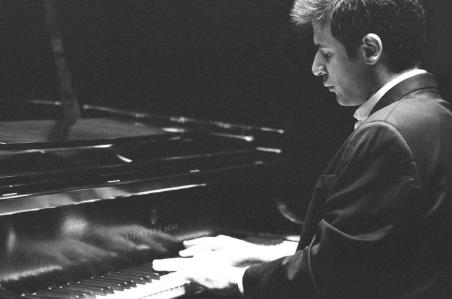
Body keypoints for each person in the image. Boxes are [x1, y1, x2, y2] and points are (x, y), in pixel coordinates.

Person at [154, 0, 452, 298]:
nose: (316, 68)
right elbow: (373, 256)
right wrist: (259, 254)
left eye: (326, 53)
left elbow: (334, 276)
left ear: (371, 50)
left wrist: (237, 278)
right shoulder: (434, 115)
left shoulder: (386, 132)